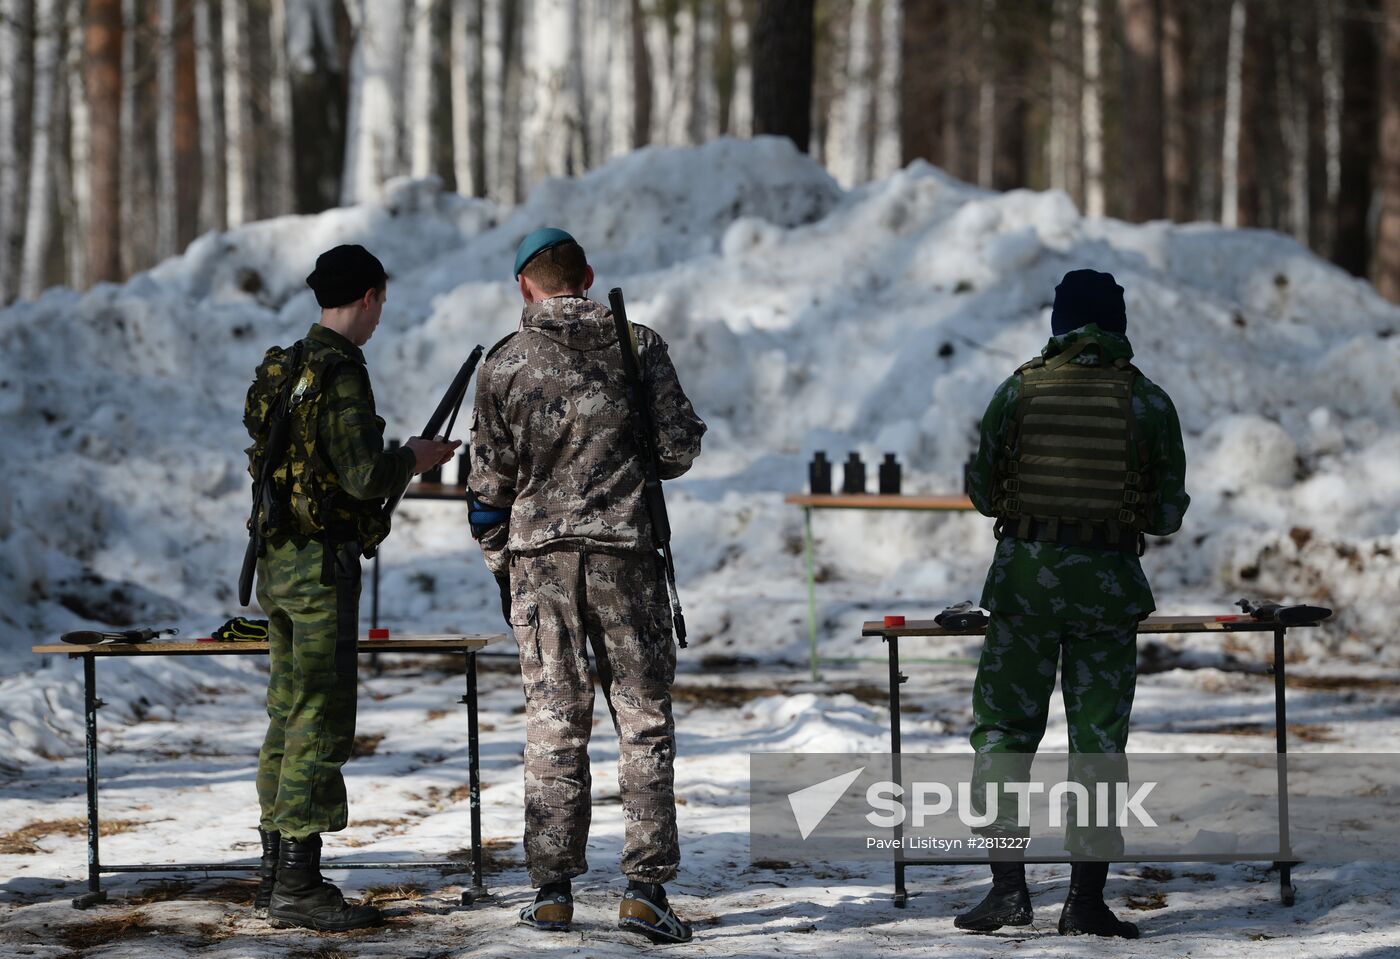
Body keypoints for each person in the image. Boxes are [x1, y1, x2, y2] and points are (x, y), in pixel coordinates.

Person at [468, 228, 706, 943]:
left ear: (524, 287)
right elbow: (677, 448)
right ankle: (645, 889)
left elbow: (487, 487)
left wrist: (502, 563)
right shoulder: (639, 346)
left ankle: (550, 891)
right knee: (643, 720)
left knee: (553, 723)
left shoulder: (504, 363)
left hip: (541, 566)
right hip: (626, 561)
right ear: (588, 276)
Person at [958, 269, 1190, 939]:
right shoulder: (1146, 401)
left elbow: (983, 491)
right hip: (1108, 592)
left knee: (1003, 731)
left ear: (1059, 324)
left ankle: (1007, 890)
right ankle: (1084, 900)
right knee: (1097, 743)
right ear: (1117, 325)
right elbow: (1168, 511)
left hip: (1024, 587)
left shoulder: (1020, 390)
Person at [243, 244, 458, 931]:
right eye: (381, 304)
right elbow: (364, 476)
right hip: (317, 570)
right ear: (367, 296)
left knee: (286, 712)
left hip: (277, 561)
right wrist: (414, 459)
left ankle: (277, 868)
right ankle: (299, 886)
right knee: (317, 716)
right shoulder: (339, 373)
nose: (378, 318)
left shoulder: (293, 365)